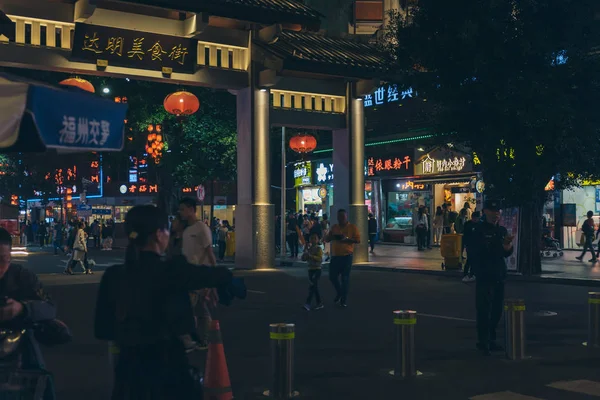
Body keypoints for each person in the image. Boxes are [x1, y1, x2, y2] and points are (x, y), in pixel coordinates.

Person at [94, 205, 234, 399]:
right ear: (160, 234)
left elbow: (102, 329)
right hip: (169, 368)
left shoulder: (113, 276)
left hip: (129, 371)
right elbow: (214, 275)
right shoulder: (171, 271)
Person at [0, 227, 57, 399]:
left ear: (9, 256)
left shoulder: (22, 276)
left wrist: (22, 308)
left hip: (20, 358)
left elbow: (49, 307)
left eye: (2, 260)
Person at [470, 200, 514, 356]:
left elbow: (505, 253)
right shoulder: (478, 230)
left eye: (498, 211)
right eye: (493, 211)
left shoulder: (502, 230)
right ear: (485, 212)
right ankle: (483, 342)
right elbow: (477, 251)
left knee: (496, 310)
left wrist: (507, 246)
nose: (496, 213)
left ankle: (492, 339)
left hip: (499, 274)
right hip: (485, 275)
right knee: (484, 310)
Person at [179, 197, 217, 348]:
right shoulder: (187, 230)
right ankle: (203, 339)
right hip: (189, 275)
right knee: (199, 308)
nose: (180, 212)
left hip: (200, 275)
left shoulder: (201, 228)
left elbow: (210, 252)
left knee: (191, 308)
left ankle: (199, 339)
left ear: (191, 209)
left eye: (182, 209)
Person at [325, 209, 360, 307]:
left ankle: (343, 299)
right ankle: (339, 292)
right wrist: (330, 236)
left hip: (346, 256)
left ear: (346, 217)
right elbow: (327, 239)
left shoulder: (352, 227)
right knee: (332, 277)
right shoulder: (334, 227)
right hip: (335, 256)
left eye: (342, 217)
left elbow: (358, 240)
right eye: (339, 217)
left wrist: (346, 239)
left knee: (345, 278)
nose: (340, 219)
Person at [302, 233, 324, 311]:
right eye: (312, 238)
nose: (313, 240)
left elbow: (320, 259)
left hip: (317, 269)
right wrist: (305, 252)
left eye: (315, 238)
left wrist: (310, 256)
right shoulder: (309, 248)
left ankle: (308, 303)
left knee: (312, 286)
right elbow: (303, 259)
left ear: (317, 240)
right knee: (314, 287)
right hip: (310, 269)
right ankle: (319, 303)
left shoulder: (319, 248)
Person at [461, 211, 481, 282]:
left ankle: (472, 274)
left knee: (474, 260)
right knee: (469, 260)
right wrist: (464, 245)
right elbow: (465, 235)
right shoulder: (468, 224)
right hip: (470, 245)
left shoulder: (479, 224)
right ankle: (466, 274)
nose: (476, 220)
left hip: (477, 245)